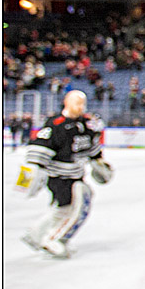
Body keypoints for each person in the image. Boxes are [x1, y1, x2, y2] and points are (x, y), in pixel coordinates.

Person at [16, 90, 112, 258]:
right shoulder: (56, 124)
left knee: (61, 208)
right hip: (59, 177)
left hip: (76, 175)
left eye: (83, 103)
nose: (80, 107)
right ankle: (54, 239)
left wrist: (100, 163)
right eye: (77, 102)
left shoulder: (86, 125)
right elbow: (38, 151)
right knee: (76, 205)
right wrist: (29, 177)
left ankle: (36, 234)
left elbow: (93, 149)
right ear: (67, 103)